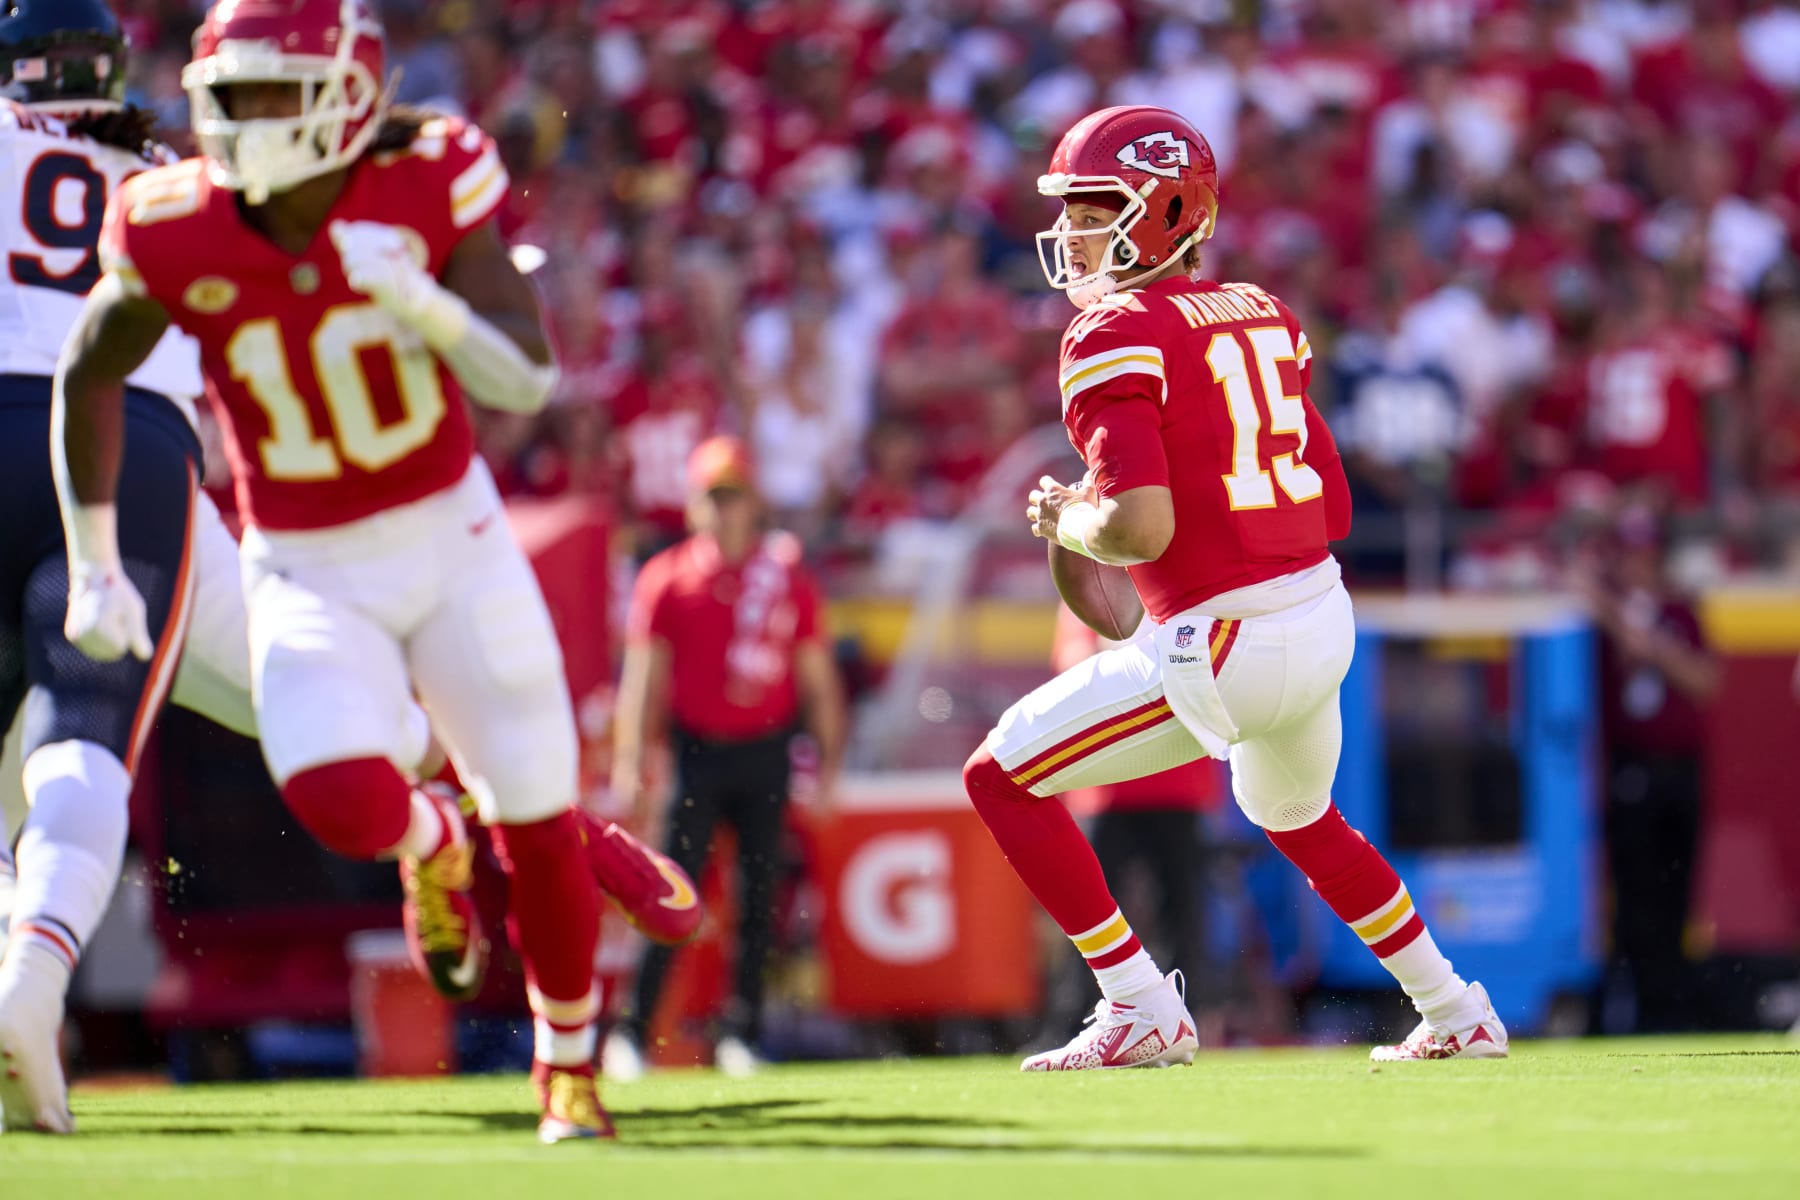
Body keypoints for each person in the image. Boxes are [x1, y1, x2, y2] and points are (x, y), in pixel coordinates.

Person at [49, 0, 626, 1142]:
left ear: (354, 96)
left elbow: (525, 379)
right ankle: (435, 844)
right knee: (334, 795)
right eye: (233, 96)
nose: (250, 119)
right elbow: (88, 368)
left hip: (451, 540)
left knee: (539, 815)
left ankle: (567, 1067)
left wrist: (423, 302)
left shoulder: (427, 174)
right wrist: (91, 559)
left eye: (279, 92)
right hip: (305, 559)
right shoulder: (173, 220)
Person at [963, 104, 1509, 1071]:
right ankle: (1454, 1008)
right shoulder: (1263, 312)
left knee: (999, 777)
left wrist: (1070, 518)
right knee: (1300, 818)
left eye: (1093, 211)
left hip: (1223, 640)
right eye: (1071, 212)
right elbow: (1334, 501)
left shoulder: (1111, 332)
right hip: (1320, 613)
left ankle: (1138, 1003)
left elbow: (1140, 530)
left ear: (1169, 212)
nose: (1072, 234)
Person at [604, 436, 846, 1080]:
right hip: (697, 754)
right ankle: (633, 1031)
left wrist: (828, 765)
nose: (724, 509)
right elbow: (643, 681)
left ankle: (744, 1032)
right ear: (693, 504)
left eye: (733, 495)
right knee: (670, 890)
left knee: (758, 897)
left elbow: (816, 678)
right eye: (713, 496)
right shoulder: (668, 577)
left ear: (753, 501)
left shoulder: (786, 579)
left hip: (766, 750)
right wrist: (632, 761)